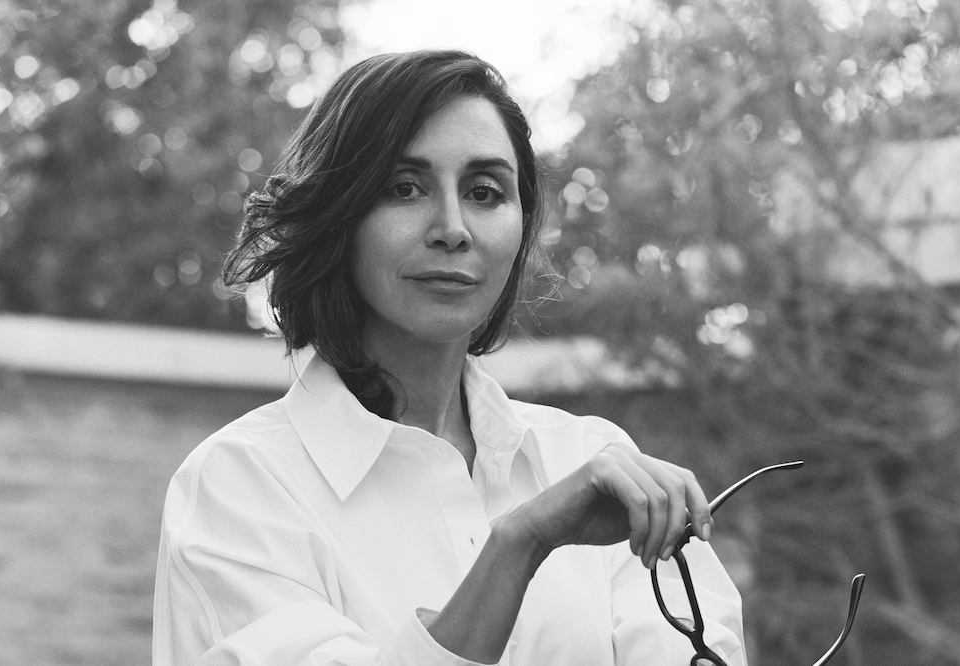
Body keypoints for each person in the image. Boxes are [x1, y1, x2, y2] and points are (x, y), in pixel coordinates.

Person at [152, 49, 746, 666]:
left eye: (485, 192)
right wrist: (519, 543)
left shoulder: (594, 459)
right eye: (404, 188)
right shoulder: (239, 487)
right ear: (337, 215)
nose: (453, 228)